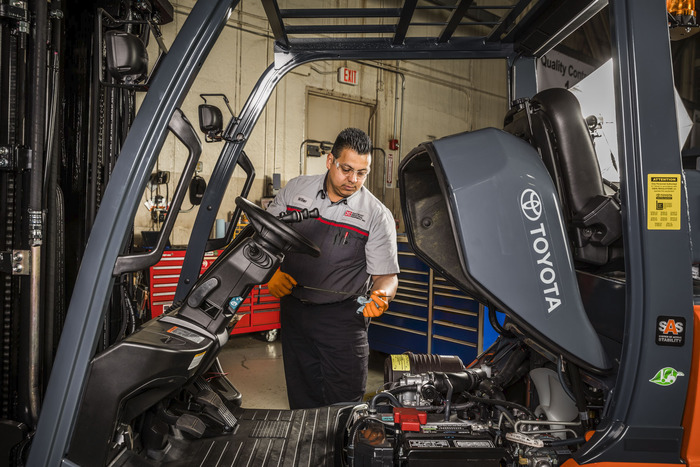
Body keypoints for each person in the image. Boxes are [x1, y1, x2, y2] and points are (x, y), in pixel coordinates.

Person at [265, 128, 399, 409]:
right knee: (301, 397)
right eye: (347, 169)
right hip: (294, 313)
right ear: (330, 161)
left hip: (342, 320)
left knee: (344, 404)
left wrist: (382, 296)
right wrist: (271, 272)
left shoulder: (376, 215)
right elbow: (264, 240)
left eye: (362, 173)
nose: (354, 180)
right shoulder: (295, 190)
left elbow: (386, 277)